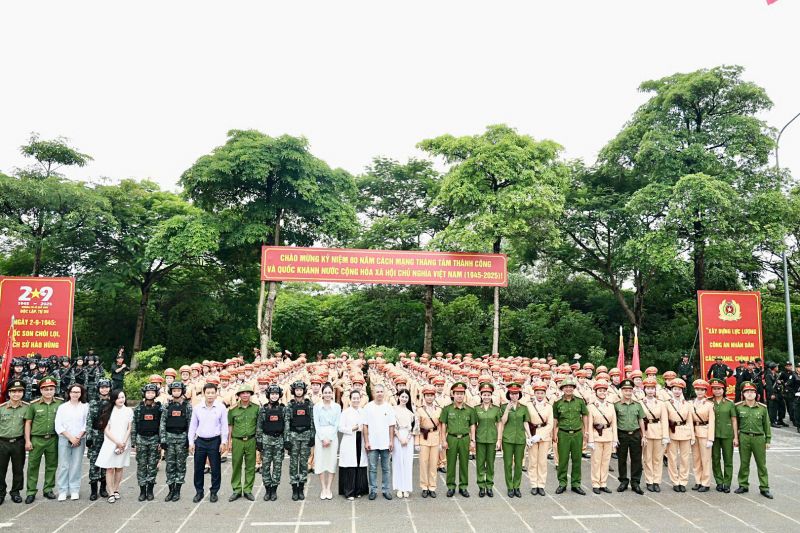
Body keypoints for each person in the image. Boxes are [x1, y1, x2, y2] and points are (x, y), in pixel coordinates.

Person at [24, 376, 63, 503]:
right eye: (46, 389)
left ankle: (48, 489)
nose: (49, 392)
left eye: (51, 389)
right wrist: (28, 441)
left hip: (53, 439)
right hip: (37, 440)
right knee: (32, 466)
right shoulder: (34, 405)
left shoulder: (60, 403)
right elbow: (28, 423)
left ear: (54, 390)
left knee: (51, 465)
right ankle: (31, 492)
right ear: (41, 390)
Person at [188, 383, 228, 503]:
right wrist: (191, 442)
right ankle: (199, 492)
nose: (210, 395)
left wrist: (224, 441)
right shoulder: (197, 408)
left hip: (215, 441)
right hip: (200, 441)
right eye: (208, 393)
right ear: (204, 394)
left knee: (215, 468)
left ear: (216, 394)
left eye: (212, 393)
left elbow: (224, 426)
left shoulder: (221, 407)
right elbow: (193, 426)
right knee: (198, 468)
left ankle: (214, 492)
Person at [734, 381, 772, 499]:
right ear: (743, 394)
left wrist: (768, 440)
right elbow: (736, 424)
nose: (750, 394)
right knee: (744, 463)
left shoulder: (762, 408)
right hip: (744, 437)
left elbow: (767, 425)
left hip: (759, 438)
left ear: (756, 394)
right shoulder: (739, 407)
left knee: (761, 464)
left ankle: (764, 488)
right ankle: (743, 484)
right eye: (747, 392)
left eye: (752, 392)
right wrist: (736, 438)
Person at [94, 389, 133, 503]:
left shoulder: (129, 411)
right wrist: (117, 442)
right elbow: (106, 430)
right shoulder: (109, 411)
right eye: (118, 398)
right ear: (113, 399)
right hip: (111, 442)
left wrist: (123, 442)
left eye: (123, 397)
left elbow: (129, 428)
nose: (121, 400)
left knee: (119, 467)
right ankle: (110, 492)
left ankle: (116, 490)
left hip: (124, 442)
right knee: (110, 468)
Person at [439, 382, 476, 498]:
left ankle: (463, 487)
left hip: (465, 438)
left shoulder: (469, 409)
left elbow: (472, 425)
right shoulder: (447, 408)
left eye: (461, 394)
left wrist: (472, 440)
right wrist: (443, 440)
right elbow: (443, 425)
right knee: (451, 464)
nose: (459, 396)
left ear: (464, 395)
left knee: (464, 463)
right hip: (452, 438)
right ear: (453, 394)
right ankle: (450, 486)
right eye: (457, 393)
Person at [552, 378, 588, 495]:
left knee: (577, 460)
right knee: (563, 460)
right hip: (563, 433)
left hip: (577, 434)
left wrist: (586, 432)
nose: (568, 389)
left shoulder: (580, 401)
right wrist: (554, 433)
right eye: (566, 387)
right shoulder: (557, 402)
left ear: (574, 388)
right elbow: (555, 419)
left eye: (570, 387)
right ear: (562, 389)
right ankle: (562, 483)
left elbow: (585, 416)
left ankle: (576, 484)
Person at [54, 384, 88, 500]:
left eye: (78, 392)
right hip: (65, 438)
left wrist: (78, 437)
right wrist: (70, 438)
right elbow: (58, 425)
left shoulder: (85, 406)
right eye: (73, 392)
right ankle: (62, 490)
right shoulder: (63, 407)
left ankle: (74, 489)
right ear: (69, 393)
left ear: (81, 394)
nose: (75, 394)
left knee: (76, 465)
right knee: (63, 465)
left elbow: (86, 424)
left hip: (80, 439)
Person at [363, 383, 396, 500]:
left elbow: (391, 425)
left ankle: (386, 489)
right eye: (377, 392)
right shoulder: (368, 407)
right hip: (372, 443)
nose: (379, 394)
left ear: (384, 393)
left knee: (386, 468)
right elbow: (365, 426)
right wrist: (366, 441)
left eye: (381, 392)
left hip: (385, 443)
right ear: (373, 393)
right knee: (372, 468)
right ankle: (373, 490)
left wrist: (391, 441)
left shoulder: (388, 407)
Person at [160, 381, 192, 502]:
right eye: (174, 390)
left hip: (182, 438)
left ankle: (177, 490)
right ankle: (170, 490)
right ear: (171, 392)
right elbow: (162, 423)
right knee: (170, 465)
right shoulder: (166, 406)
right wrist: (163, 439)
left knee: (181, 465)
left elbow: (190, 423)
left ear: (182, 391)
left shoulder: (187, 406)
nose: (176, 392)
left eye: (179, 390)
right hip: (169, 438)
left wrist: (189, 440)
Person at [614, 379, 646, 495]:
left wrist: (643, 436)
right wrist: (615, 437)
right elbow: (614, 421)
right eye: (625, 390)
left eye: (630, 391)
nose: (628, 393)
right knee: (621, 459)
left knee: (636, 460)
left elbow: (641, 420)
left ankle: (635, 483)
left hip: (635, 434)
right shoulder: (617, 405)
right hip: (622, 434)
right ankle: (623, 481)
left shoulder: (637, 405)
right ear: (621, 391)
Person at [284, 381, 315, 501]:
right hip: (293, 436)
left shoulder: (309, 404)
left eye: (301, 390)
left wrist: (312, 436)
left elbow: (312, 421)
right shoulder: (290, 405)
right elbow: (287, 422)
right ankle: (294, 488)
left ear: (304, 391)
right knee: (293, 463)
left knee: (303, 463)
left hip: (306, 436)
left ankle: (301, 487)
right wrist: (287, 439)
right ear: (293, 391)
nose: (299, 392)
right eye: (296, 390)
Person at [228, 383, 258, 501]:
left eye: (247, 393)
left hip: (251, 440)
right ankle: (236, 489)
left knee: (250, 466)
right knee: (236, 466)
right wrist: (229, 442)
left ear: (250, 394)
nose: (245, 395)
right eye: (243, 393)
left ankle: (248, 490)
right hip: (237, 441)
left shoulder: (256, 408)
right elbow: (230, 426)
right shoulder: (233, 409)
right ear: (239, 395)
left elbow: (257, 425)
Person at [0, 379, 28, 505]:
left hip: (19, 442)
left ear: (23, 393)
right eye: (14, 392)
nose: (17, 394)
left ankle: (15, 492)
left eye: (19, 391)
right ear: (9, 393)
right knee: (1, 470)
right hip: (2, 443)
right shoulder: (1, 408)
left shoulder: (27, 408)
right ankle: (1, 493)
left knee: (18, 469)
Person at [132, 383, 162, 501]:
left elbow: (161, 425)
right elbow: (134, 425)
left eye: (152, 392)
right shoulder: (139, 408)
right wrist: (133, 442)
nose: (150, 394)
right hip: (141, 439)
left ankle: (150, 490)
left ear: (156, 394)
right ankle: (142, 491)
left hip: (154, 439)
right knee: (141, 465)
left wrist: (161, 440)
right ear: (144, 393)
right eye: (148, 392)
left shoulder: (160, 408)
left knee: (153, 465)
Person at [256, 384, 285, 501]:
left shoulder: (284, 409)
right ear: (268, 395)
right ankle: (267, 489)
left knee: (277, 467)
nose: (274, 396)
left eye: (276, 394)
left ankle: (274, 490)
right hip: (266, 441)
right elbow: (259, 426)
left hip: (279, 442)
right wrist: (259, 441)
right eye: (272, 394)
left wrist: (286, 440)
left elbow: (286, 426)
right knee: (266, 467)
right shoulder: (263, 409)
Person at [587, 381, 617, 494]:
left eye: (604, 391)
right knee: (596, 461)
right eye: (600, 391)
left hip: (608, 435)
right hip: (596, 436)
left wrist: (615, 439)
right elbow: (589, 423)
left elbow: (614, 423)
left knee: (606, 461)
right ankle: (595, 483)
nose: (602, 393)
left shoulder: (611, 405)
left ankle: (603, 483)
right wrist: (590, 440)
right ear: (596, 392)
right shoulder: (591, 407)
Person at [338, 389, 369, 500]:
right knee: (350, 465)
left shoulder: (363, 411)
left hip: (361, 438)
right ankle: (349, 491)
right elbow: (340, 427)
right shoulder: (346, 412)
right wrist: (352, 429)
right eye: (354, 398)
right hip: (350, 439)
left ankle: (359, 490)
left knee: (360, 465)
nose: (356, 400)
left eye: (357, 398)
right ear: (350, 400)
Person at [665, 378, 694, 492]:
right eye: (675, 389)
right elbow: (664, 420)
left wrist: (692, 436)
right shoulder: (667, 404)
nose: (677, 391)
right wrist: (665, 436)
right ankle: (675, 481)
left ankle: (683, 481)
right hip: (672, 432)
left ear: (682, 390)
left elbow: (690, 420)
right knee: (672, 458)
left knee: (685, 458)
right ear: (671, 390)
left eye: (679, 389)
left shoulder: (687, 404)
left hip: (685, 432)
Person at [501, 382, 529, 498]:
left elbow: (526, 422)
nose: (514, 396)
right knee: (508, 464)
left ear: (519, 394)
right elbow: (502, 421)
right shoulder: (503, 407)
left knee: (518, 464)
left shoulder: (523, 408)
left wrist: (530, 436)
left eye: (516, 393)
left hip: (520, 438)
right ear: (509, 395)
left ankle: (517, 486)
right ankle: (510, 486)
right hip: (508, 438)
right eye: (512, 394)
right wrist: (507, 410)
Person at [473, 382, 501, 498]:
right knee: (479, 463)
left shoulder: (495, 409)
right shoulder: (476, 409)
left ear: (491, 395)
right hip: (480, 439)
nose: (486, 397)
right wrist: (473, 439)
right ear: (480, 395)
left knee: (490, 463)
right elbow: (473, 425)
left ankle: (489, 486)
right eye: (484, 395)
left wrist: (498, 440)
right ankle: (481, 485)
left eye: (488, 395)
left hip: (491, 439)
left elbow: (499, 424)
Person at [314, 383, 341, 500]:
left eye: (329, 392)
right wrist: (322, 438)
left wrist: (329, 438)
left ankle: (329, 488)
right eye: (325, 392)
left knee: (331, 462)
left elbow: (337, 424)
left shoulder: (337, 407)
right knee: (320, 461)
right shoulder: (316, 407)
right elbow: (316, 424)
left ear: (332, 394)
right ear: (322, 393)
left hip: (332, 436)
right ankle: (323, 488)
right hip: (320, 435)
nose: (327, 395)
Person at [640, 377, 668, 492]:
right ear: (644, 389)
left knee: (658, 458)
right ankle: (649, 480)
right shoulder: (640, 403)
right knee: (647, 458)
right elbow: (639, 420)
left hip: (658, 431)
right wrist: (642, 435)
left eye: (652, 388)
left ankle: (657, 481)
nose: (650, 391)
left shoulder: (661, 403)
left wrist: (665, 435)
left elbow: (664, 419)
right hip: (646, 432)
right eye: (648, 388)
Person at [414, 385, 442, 498]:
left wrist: (440, 441)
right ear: (424, 397)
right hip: (423, 438)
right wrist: (416, 442)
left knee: (433, 464)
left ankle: (432, 486)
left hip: (435, 438)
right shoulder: (419, 410)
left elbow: (440, 427)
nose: (429, 398)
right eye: (427, 396)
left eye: (431, 396)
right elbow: (416, 427)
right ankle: (424, 486)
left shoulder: (439, 409)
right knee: (423, 464)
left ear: (434, 396)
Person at [526, 382, 553, 496]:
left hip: (544, 437)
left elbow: (550, 424)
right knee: (532, 462)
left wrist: (540, 436)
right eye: (537, 393)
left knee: (542, 462)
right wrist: (528, 437)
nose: (540, 395)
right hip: (532, 435)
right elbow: (525, 421)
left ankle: (541, 484)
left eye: (542, 393)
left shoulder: (549, 406)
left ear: (545, 394)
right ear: (534, 393)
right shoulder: (529, 405)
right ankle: (533, 484)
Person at [690, 380, 715, 492]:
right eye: (697, 390)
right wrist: (691, 435)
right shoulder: (691, 403)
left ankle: (706, 482)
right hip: (694, 432)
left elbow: (712, 422)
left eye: (702, 390)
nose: (699, 392)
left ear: (705, 391)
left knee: (705, 459)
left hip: (705, 432)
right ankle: (698, 481)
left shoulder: (709, 405)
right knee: (696, 459)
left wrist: (710, 438)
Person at [392, 388, 416, 499]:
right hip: (398, 437)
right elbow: (392, 425)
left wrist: (408, 438)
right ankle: (399, 488)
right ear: (398, 397)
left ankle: (406, 488)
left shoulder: (412, 410)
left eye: (406, 397)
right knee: (398, 462)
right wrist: (400, 438)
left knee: (407, 462)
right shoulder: (394, 409)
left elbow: (415, 426)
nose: (404, 399)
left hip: (408, 438)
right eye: (402, 397)